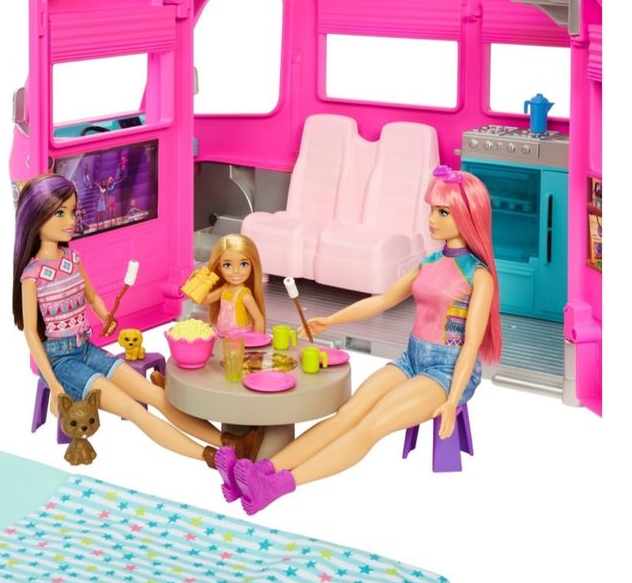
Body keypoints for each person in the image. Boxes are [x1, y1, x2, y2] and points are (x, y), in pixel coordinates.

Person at [214, 166, 502, 514]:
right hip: (412, 358)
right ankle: (260, 472)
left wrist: (452, 399)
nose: (431, 219)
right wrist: (331, 320)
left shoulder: (478, 276)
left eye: (443, 212)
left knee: (370, 425)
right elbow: (383, 300)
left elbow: (471, 344)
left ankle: (277, 486)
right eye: (432, 210)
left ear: (467, 216)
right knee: (347, 414)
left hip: (447, 370)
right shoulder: (428, 263)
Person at [12, 174, 262, 466]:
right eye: (60, 213)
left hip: (86, 349)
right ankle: (214, 458)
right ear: (37, 217)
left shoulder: (72, 258)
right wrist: (55, 384)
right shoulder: (32, 276)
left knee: (156, 395)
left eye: (72, 211)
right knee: (134, 410)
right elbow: (31, 335)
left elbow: (92, 296)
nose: (70, 220)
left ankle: (230, 443)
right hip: (61, 361)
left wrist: (105, 315)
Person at [192, 234, 266, 337]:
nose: (236, 271)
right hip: (222, 334)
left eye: (243, 264)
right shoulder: (224, 289)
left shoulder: (245, 296)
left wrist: (257, 340)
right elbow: (203, 301)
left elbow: (259, 319)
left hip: (239, 336)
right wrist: (196, 284)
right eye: (227, 265)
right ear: (219, 267)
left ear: (252, 266)